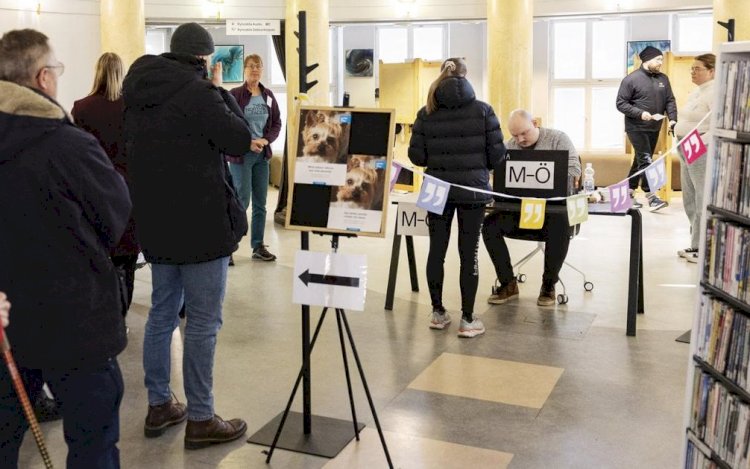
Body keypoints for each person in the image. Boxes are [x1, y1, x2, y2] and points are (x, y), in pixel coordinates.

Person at [0, 29, 131, 467]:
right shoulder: (67, 144)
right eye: (55, 69)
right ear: (42, 78)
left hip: (7, 324)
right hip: (75, 322)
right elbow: (115, 215)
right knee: (93, 446)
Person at [123, 22, 253, 449]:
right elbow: (238, 137)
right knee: (202, 321)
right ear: (203, 59)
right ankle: (200, 416)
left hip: (156, 222)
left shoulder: (137, 92)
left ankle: (160, 404)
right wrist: (217, 90)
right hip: (201, 224)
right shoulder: (201, 94)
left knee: (161, 314)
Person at [408, 57, 505, 338]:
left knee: (436, 251)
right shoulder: (484, 110)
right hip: (473, 190)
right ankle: (468, 319)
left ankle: (438, 313)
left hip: (435, 188)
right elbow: (497, 155)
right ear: (467, 76)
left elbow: (417, 157)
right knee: (468, 254)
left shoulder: (426, 112)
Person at [482, 109, 582, 307]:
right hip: (519, 211)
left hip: (553, 211)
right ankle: (508, 283)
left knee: (561, 222)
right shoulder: (509, 146)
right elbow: (495, 171)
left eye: (524, 133)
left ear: (535, 123)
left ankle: (548, 285)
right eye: (515, 135)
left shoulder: (558, 139)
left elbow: (574, 170)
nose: (520, 139)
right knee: (489, 225)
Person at [72, 52, 140, 310]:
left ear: (97, 72)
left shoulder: (82, 107)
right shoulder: (131, 108)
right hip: (129, 191)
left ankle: (103, 313)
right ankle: (122, 313)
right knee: (129, 257)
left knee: (99, 256)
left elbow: (75, 154)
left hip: (94, 191)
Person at [227, 54, 282, 262]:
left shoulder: (268, 95)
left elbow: (276, 123)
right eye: (251, 66)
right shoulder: (235, 95)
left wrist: (266, 140)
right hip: (242, 155)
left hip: (262, 156)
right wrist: (248, 142)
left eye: (258, 66)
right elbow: (230, 124)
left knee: (261, 203)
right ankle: (229, 247)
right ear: (244, 70)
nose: (255, 70)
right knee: (242, 200)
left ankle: (258, 245)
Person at [616, 45, 677, 212]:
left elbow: (670, 100)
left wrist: (673, 120)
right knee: (646, 160)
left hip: (654, 127)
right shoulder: (631, 79)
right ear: (647, 59)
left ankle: (627, 193)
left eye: (661, 60)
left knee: (640, 161)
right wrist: (640, 113)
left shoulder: (663, 79)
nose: (660, 63)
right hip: (636, 127)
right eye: (658, 60)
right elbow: (621, 103)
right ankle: (652, 197)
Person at [674, 53, 715, 264]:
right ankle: (694, 241)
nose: (693, 72)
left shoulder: (715, 92)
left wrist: (700, 143)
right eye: (692, 68)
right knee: (689, 196)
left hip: (699, 147)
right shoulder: (697, 92)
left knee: (701, 197)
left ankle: (701, 246)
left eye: (697, 68)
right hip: (686, 145)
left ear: (712, 71)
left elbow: (717, 125)